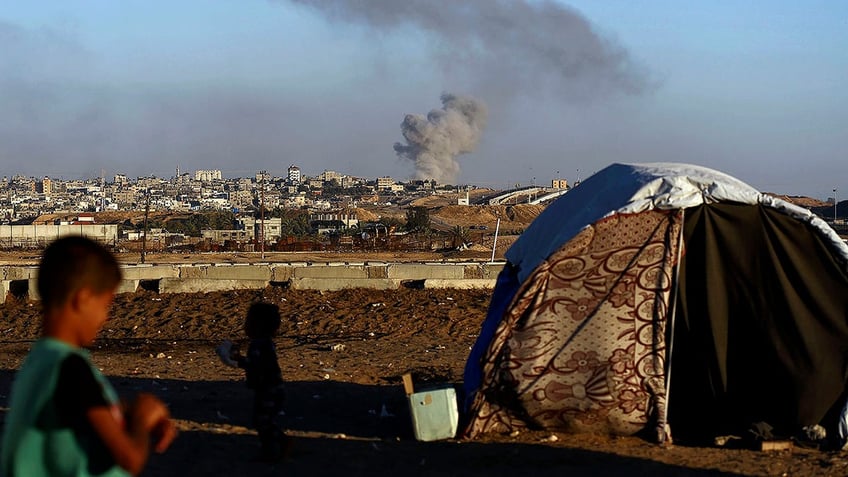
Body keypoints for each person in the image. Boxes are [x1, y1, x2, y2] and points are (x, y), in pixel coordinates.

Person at [1, 236, 177, 477]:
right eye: (105, 306)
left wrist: (127, 410)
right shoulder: (70, 367)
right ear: (82, 299)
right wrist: (143, 417)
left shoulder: (39, 361)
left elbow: (79, 409)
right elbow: (130, 459)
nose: (105, 318)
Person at [216, 302, 289, 461]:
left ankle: (276, 448)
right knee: (264, 420)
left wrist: (237, 359)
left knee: (262, 421)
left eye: (248, 322)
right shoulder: (266, 343)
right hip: (272, 389)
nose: (245, 326)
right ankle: (276, 445)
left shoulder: (258, 345)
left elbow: (255, 365)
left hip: (268, 390)